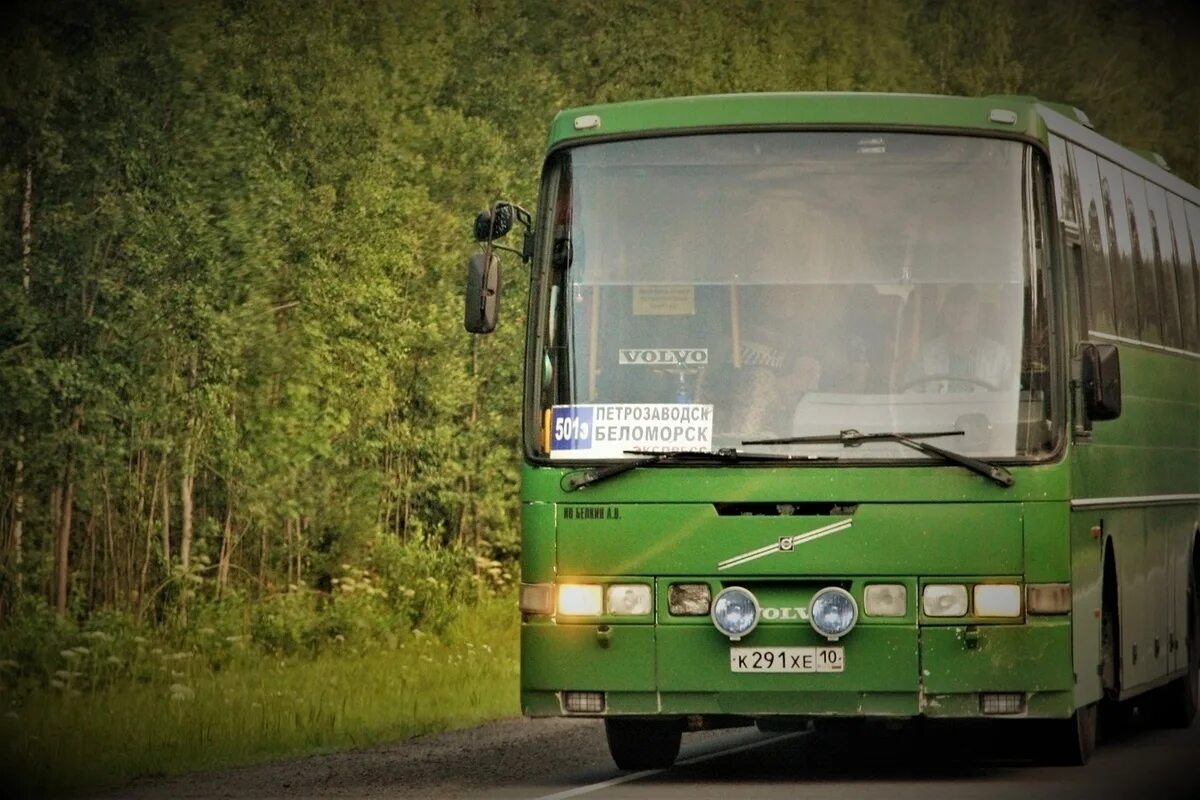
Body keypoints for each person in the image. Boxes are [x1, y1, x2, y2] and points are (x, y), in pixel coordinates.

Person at [907, 285, 1013, 392]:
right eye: (952, 314)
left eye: (965, 313)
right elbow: (910, 393)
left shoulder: (1000, 356)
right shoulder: (927, 353)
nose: (958, 319)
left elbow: (1011, 395)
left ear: (979, 315)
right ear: (945, 314)